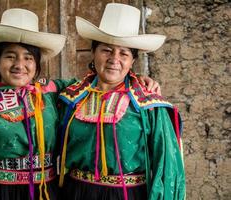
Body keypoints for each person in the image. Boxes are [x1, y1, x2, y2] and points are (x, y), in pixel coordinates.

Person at [0, 7, 161, 200]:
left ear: (37, 64)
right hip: (2, 193)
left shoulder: (51, 92)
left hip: (49, 192)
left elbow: (102, 81)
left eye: (28, 57)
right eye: (10, 56)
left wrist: (136, 78)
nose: (20, 65)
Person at [58, 3, 186, 200]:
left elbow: (167, 167)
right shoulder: (70, 97)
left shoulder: (149, 106)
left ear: (132, 61)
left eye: (124, 53)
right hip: (76, 192)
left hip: (128, 195)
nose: (114, 59)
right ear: (93, 52)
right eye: (106, 50)